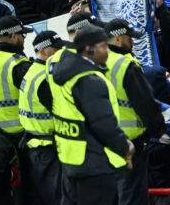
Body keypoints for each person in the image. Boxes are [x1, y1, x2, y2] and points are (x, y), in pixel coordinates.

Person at [48, 24, 134, 205]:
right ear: (89, 50)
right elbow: (103, 124)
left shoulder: (67, 74)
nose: (108, 51)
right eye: (103, 46)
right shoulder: (89, 80)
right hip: (94, 165)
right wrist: (124, 147)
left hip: (71, 160)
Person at [103, 19, 165, 205]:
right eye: (130, 38)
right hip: (130, 144)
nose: (133, 42)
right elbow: (145, 103)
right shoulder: (124, 65)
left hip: (101, 143)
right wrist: (157, 129)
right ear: (117, 38)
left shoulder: (93, 62)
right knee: (132, 197)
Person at [18, 30, 66, 205]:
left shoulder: (33, 71)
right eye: (57, 49)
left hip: (35, 147)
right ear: (44, 52)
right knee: (56, 199)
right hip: (48, 150)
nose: (61, 53)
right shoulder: (44, 78)